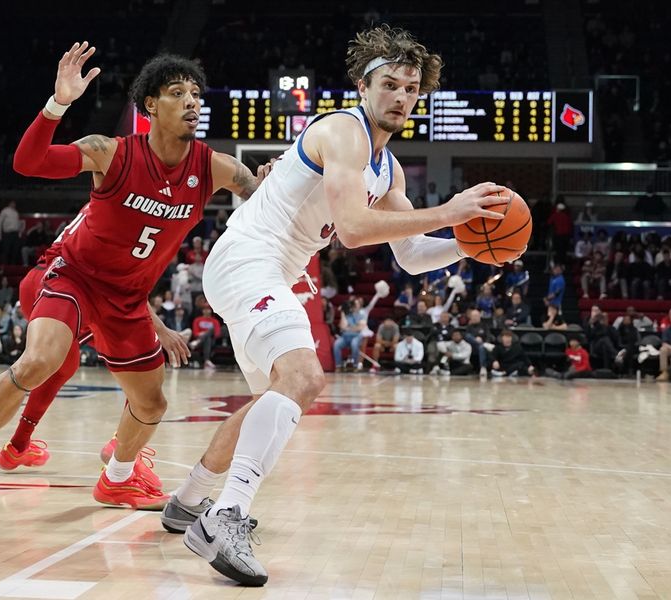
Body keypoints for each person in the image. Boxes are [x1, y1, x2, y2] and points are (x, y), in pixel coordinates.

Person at [170, 26, 516, 586]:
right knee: (304, 377)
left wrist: (470, 245)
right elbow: (354, 231)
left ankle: (189, 501)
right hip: (248, 259)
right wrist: (452, 212)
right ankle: (224, 517)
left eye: (410, 88)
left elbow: (408, 255)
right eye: (389, 85)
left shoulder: (390, 168)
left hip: (270, 273)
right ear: (364, 85)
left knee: (272, 399)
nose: (400, 97)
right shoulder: (343, 132)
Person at [0, 45, 273, 521]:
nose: (191, 102)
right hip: (74, 278)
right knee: (40, 360)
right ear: (150, 106)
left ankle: (117, 480)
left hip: (128, 300)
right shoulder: (110, 151)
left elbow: (264, 198)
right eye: (177, 92)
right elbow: (28, 164)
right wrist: (56, 105)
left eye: (196, 94)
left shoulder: (214, 166)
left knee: (152, 401)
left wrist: (270, 183)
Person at [332, 297, 368, 370]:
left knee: (354, 344)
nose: (355, 305)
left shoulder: (362, 314)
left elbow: (360, 328)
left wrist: (349, 328)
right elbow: (342, 326)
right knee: (336, 344)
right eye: (354, 304)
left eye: (357, 304)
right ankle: (338, 365)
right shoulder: (347, 313)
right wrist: (343, 312)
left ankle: (355, 365)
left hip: (356, 336)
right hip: (345, 336)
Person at [189, 305, 222, 369]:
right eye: (205, 309)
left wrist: (206, 333)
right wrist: (204, 335)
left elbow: (217, 334)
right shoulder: (197, 320)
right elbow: (195, 333)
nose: (206, 311)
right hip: (200, 339)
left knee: (211, 331)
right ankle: (207, 360)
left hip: (211, 341)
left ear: (211, 311)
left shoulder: (215, 321)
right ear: (202, 311)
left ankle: (197, 342)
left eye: (208, 309)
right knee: (207, 339)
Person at [0, 200, 22, 264]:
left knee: (15, 250)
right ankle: (4, 266)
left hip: (15, 234)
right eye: (12, 203)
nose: (13, 205)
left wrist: (19, 233)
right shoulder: (4, 211)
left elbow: (17, 223)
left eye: (14, 204)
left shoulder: (16, 212)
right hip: (7, 234)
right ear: (9, 204)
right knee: (6, 250)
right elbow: (0, 222)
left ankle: (12, 267)